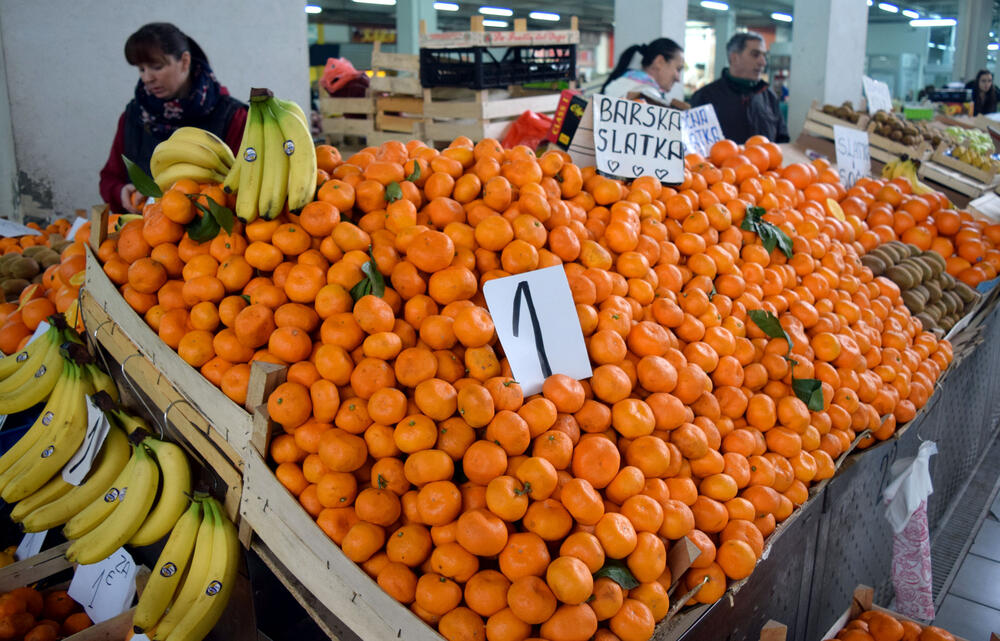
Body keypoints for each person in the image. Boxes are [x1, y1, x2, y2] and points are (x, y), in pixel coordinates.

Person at [99, 23, 247, 213]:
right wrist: (120, 192)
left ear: (185, 61)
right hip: (143, 233)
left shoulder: (233, 117)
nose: (147, 78)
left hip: (212, 238)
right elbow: (110, 178)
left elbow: (245, 184)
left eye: (156, 67)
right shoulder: (134, 115)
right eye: (141, 69)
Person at [690, 32, 788, 144]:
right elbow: (696, 147)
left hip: (765, 161)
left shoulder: (769, 97)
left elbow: (782, 141)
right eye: (755, 55)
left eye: (764, 56)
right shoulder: (705, 97)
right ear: (734, 58)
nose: (763, 62)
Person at [600, 38, 685, 103]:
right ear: (660, 62)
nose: (678, 79)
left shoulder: (616, 84)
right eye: (678, 69)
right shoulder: (649, 96)